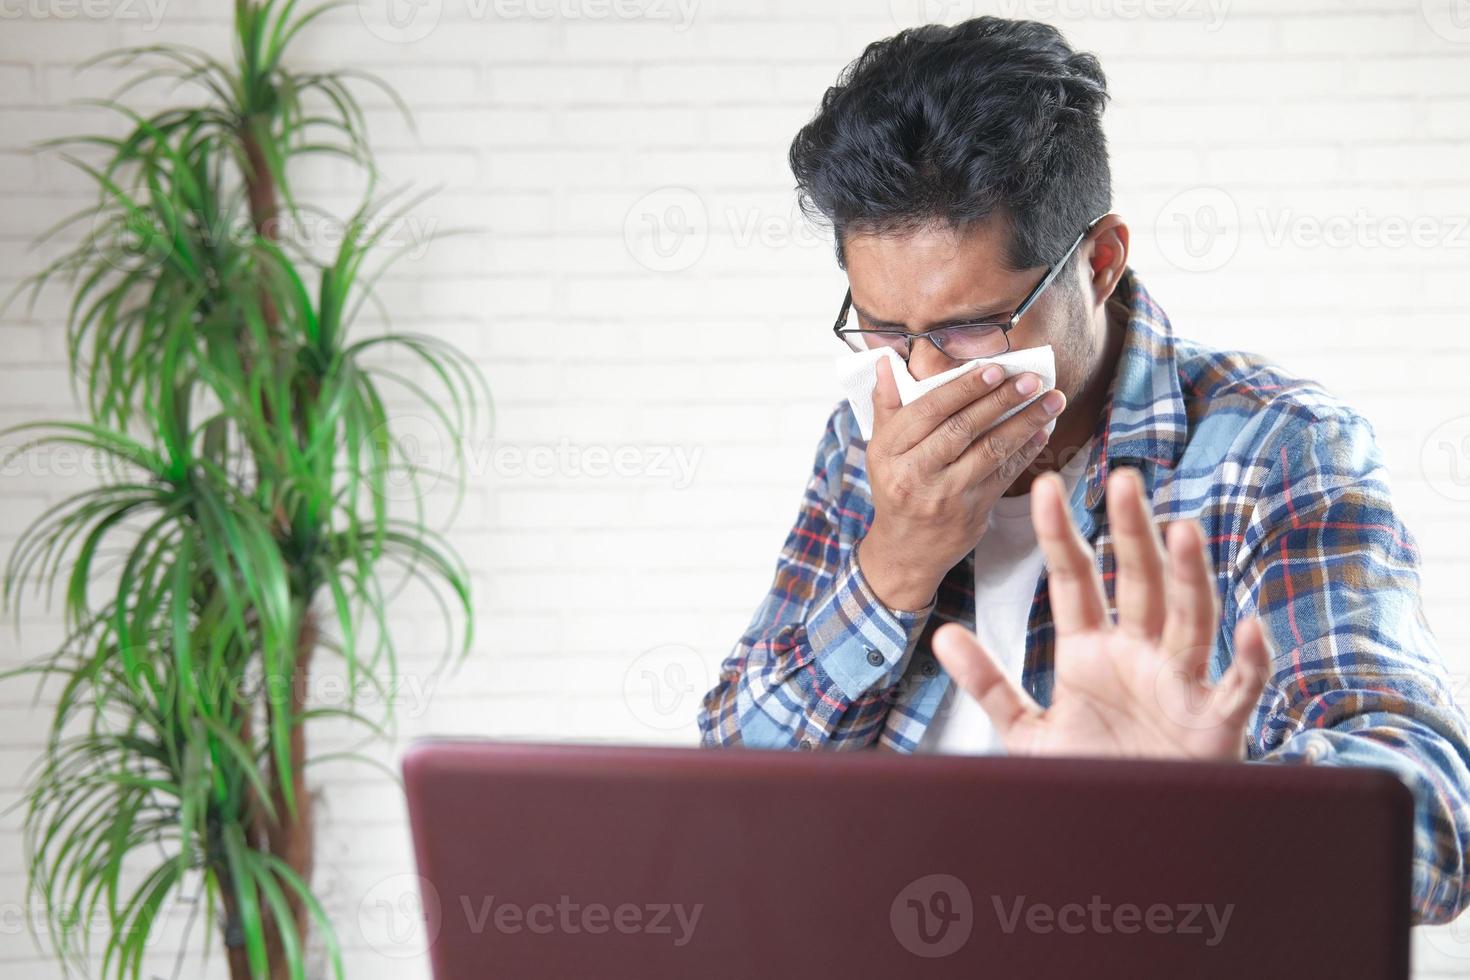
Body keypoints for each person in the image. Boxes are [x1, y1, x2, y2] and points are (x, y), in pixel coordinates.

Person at [697, 16, 1470, 924]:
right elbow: (728, 792)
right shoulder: (867, 441)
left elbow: (1435, 821)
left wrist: (1214, 809)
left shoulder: (1278, 450)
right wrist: (895, 565)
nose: (926, 377)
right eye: (884, 330)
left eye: (968, 327)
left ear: (1099, 264)